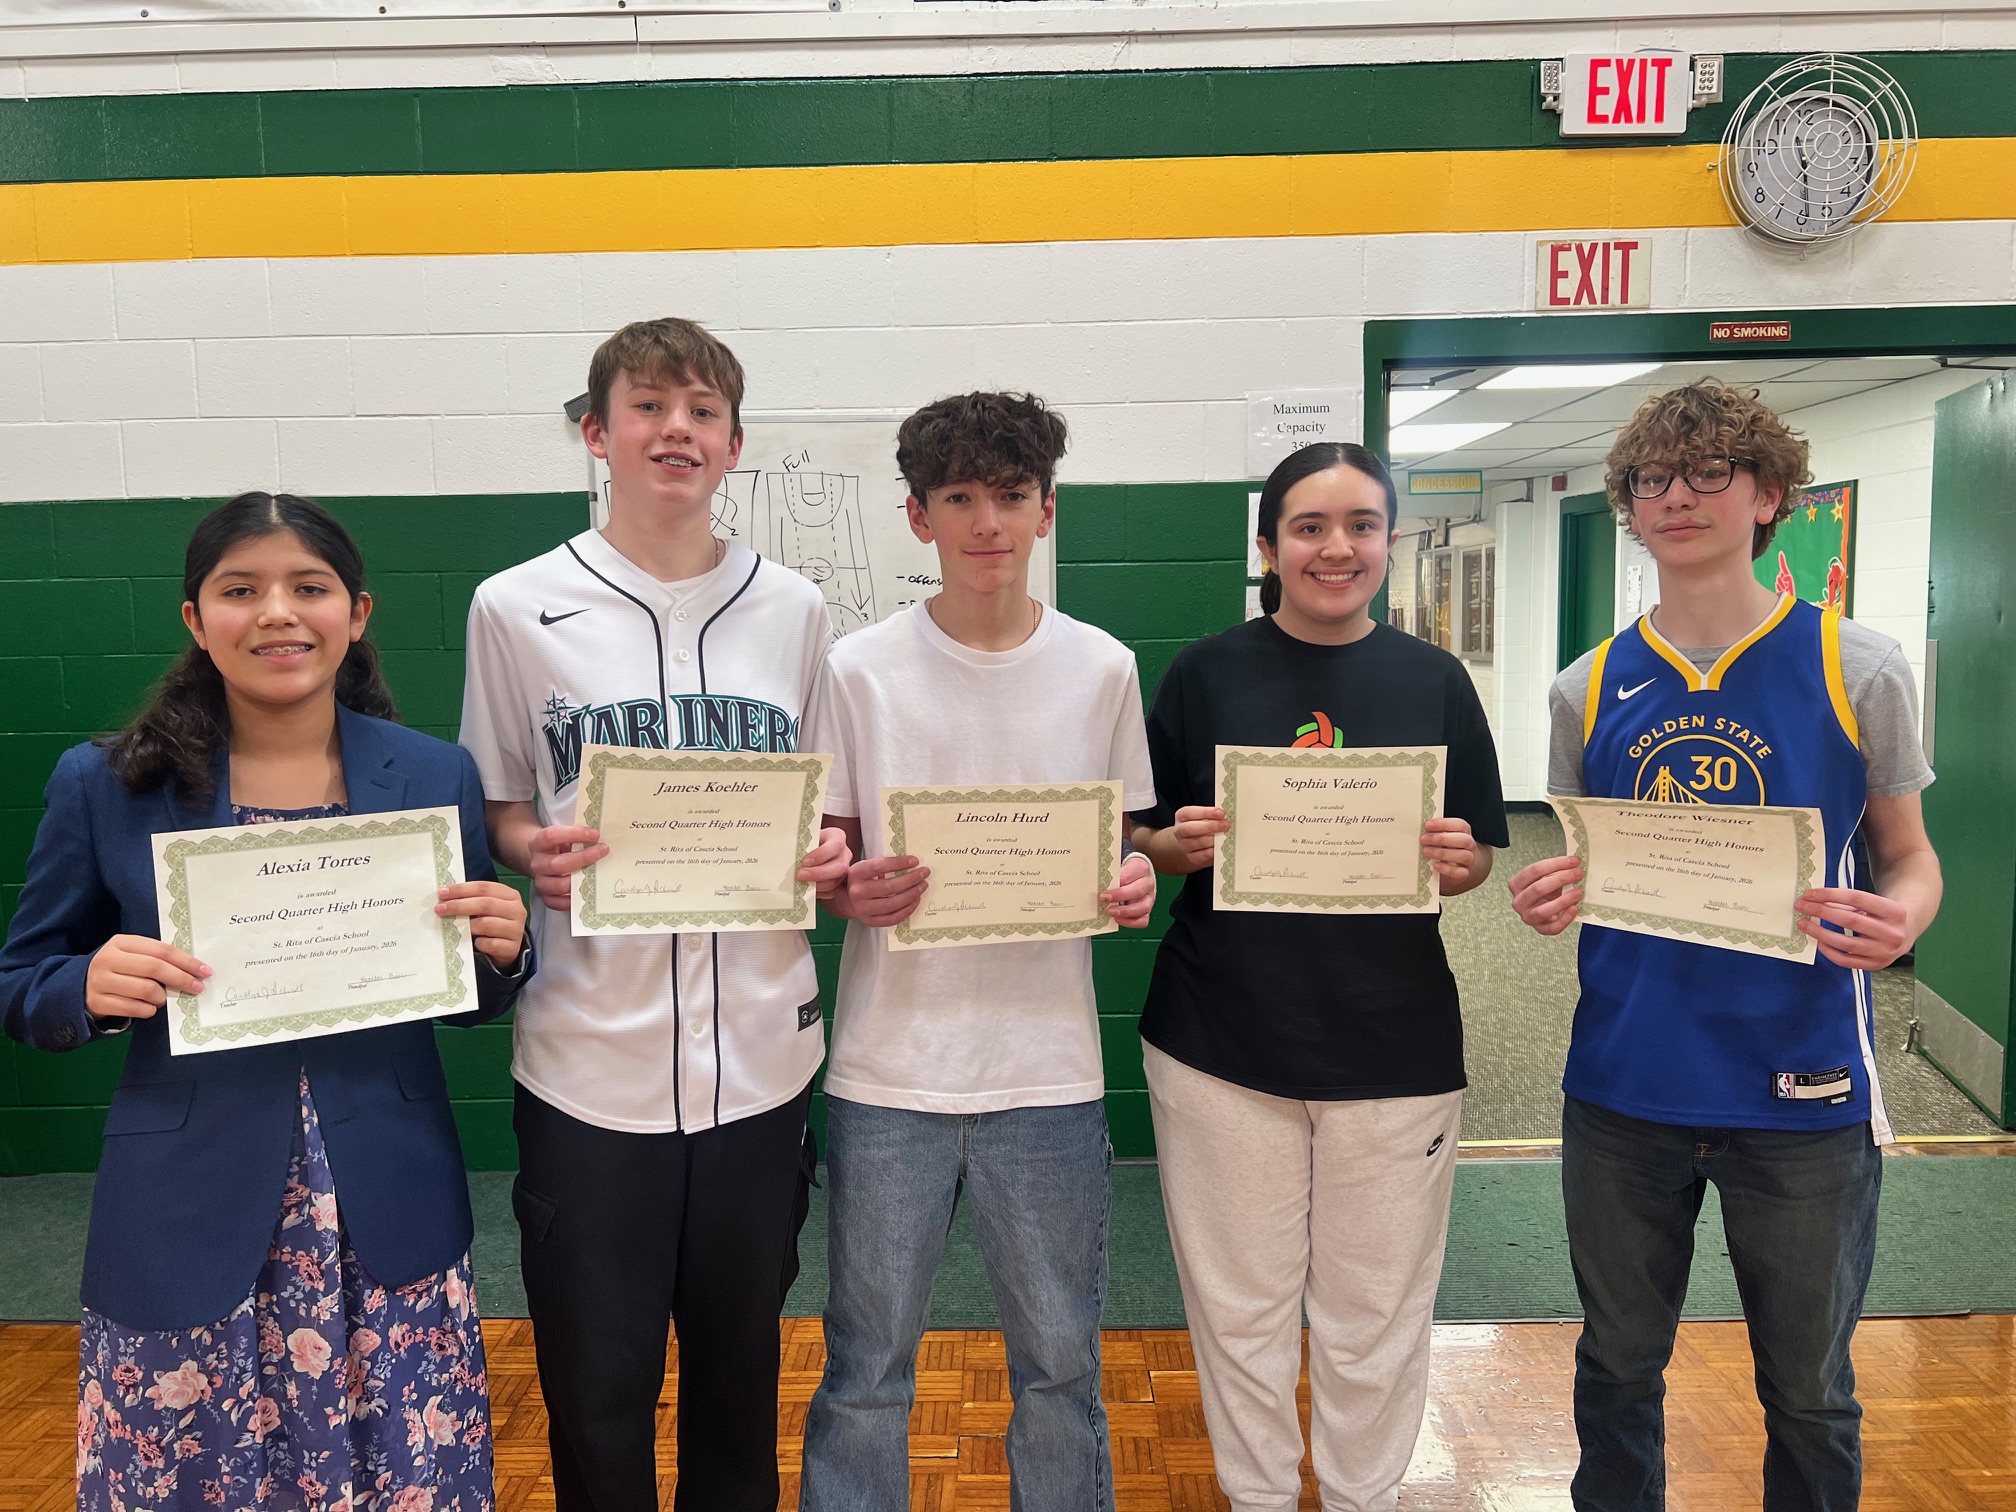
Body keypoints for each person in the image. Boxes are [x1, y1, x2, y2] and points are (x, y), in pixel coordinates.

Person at [0, 491, 531, 1512]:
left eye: (309, 587)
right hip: (185, 1205)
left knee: (402, 1475)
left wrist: (504, 950)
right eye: (241, 590)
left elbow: (465, 990)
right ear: (197, 620)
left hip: (385, 1206)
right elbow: (23, 983)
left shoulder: (433, 774)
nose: (278, 612)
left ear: (357, 613)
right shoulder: (106, 783)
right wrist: (85, 986)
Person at [1507, 380, 1943, 1512]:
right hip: (1625, 1084)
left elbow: (1910, 857)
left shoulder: (1860, 666)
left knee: (1809, 1392)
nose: (1679, 496)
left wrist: (1905, 915)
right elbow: (1590, 867)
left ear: (1770, 497)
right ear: (1631, 505)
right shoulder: (1585, 686)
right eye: (1654, 478)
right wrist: (1553, 896)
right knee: (1616, 1370)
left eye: (1711, 473)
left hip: (1802, 1084)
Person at [458, 317, 849, 1512]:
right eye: (649, 405)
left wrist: (826, 853)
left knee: (739, 1386)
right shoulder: (513, 605)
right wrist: (534, 851)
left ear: (735, 443)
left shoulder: (796, 608)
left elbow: (825, 809)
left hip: (761, 1066)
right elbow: (501, 807)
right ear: (598, 432)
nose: (676, 429)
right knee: (598, 1392)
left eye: (702, 411)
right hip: (589, 1064)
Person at [1127, 441, 1506, 1512]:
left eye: (1361, 526)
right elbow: (1143, 834)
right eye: (1309, 527)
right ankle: (1255, 1498)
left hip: (1395, 1047)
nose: (1336, 548)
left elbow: (1477, 853)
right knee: (1238, 1310)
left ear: (1390, 540)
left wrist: (1460, 861)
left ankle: (1361, 1498)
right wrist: (1173, 845)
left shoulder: (1436, 680)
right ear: (1269, 546)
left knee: (1373, 1314)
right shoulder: (1204, 673)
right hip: (1219, 1040)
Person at [797, 392, 1158, 1512]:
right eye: (958, 497)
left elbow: (1123, 841)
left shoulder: (1103, 667)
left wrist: (1135, 879)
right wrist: (848, 888)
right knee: (866, 1369)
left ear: (1046, 508)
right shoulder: (856, 669)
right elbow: (830, 859)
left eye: (1010, 495)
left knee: (1060, 1367)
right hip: (887, 1074)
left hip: (1048, 1074)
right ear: (919, 517)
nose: (986, 522)